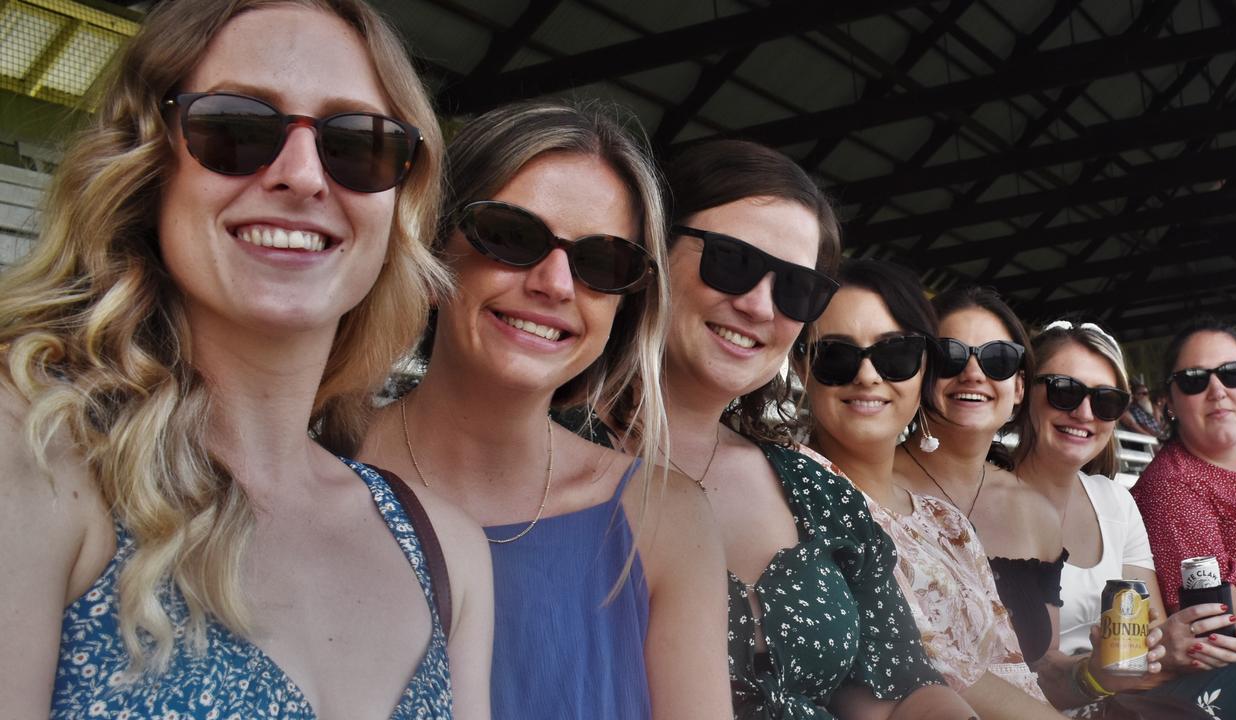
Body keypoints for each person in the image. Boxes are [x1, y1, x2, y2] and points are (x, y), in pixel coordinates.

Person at [0, 1, 492, 717]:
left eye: (358, 145)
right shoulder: (36, 450)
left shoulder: (447, 552)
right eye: (235, 128)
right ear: (148, 167)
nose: (303, 175)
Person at [358, 101, 733, 719]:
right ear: (432, 250)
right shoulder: (320, 468)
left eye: (602, 263)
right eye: (512, 236)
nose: (556, 283)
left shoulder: (665, 520)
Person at [641, 140, 974, 718]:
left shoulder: (813, 489)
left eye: (796, 287)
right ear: (653, 247)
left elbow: (899, 691)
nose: (759, 305)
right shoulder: (544, 455)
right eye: (732, 260)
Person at [796, 260, 1064, 719]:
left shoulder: (946, 521)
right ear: (802, 367)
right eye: (836, 355)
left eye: (894, 354)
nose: (867, 375)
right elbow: (941, 671)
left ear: (921, 371)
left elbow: (1013, 667)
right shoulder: (800, 487)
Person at [1013, 321, 1236, 717]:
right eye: (1063, 391)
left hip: (1133, 692)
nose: (1084, 411)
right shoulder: (1169, 486)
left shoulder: (1114, 500)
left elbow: (1151, 640)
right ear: (1021, 390)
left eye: (1105, 400)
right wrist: (1109, 670)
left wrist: (1162, 652)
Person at [892, 286, 1065, 665]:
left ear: (1018, 387)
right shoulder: (871, 483)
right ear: (921, 372)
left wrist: (1096, 673)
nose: (973, 373)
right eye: (950, 356)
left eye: (997, 360)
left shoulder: (1038, 513)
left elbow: (1043, 669)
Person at [1134, 318, 1236, 655]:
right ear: (1169, 402)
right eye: (1193, 381)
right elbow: (1216, 602)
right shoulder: (1172, 483)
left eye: (1233, 373)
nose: (1217, 391)